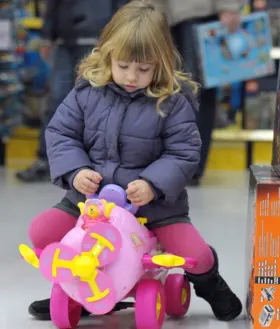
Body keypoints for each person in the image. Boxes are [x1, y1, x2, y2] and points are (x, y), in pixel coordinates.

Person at [27, 0, 243, 322]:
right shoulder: (87, 92)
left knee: (195, 255)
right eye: (124, 65)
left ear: (162, 63)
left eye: (144, 69)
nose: (131, 76)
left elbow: (183, 152)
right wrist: (76, 171)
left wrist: (153, 184)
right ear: (108, 55)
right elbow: (61, 134)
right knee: (40, 233)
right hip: (90, 202)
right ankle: (81, 287)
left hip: (154, 207)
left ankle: (210, 284)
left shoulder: (172, 102)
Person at [16, 0, 127, 182]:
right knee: (55, 102)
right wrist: (46, 36)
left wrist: (115, 32)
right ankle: (46, 160)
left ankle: (98, 163)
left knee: (98, 102)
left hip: (98, 41)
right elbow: (52, 5)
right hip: (64, 42)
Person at [163, 0, 242, 185]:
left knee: (195, 91)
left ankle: (189, 167)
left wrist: (227, 6)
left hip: (199, 13)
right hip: (166, 16)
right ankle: (180, 165)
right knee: (171, 90)